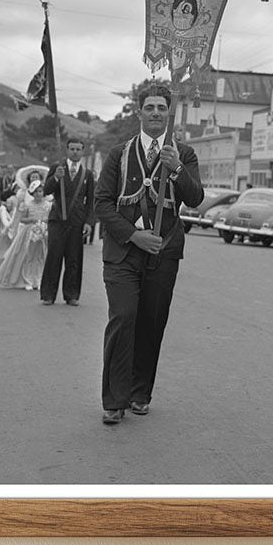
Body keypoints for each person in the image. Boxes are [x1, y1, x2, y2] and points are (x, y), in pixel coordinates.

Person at [94, 82, 204, 425]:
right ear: (139, 112)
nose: (155, 113)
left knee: (151, 322)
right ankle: (114, 399)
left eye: (161, 108)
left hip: (164, 251)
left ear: (168, 113)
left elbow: (196, 197)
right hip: (124, 253)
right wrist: (133, 235)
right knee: (123, 317)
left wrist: (177, 170)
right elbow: (102, 203)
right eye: (149, 107)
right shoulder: (118, 154)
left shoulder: (182, 153)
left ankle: (140, 393)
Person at [40, 139, 95, 306]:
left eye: (78, 149)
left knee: (74, 259)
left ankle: (71, 294)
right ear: (67, 150)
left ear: (83, 152)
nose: (75, 152)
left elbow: (91, 201)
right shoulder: (57, 168)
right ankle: (48, 295)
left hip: (77, 222)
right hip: (57, 220)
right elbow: (46, 191)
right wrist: (56, 178)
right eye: (72, 149)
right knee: (54, 257)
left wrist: (89, 222)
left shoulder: (87, 174)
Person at [0, 178, 51, 291]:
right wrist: (31, 219)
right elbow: (22, 219)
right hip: (30, 233)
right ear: (32, 193)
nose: (39, 194)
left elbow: (51, 219)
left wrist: (45, 220)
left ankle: (38, 279)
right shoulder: (27, 205)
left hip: (43, 233)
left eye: (41, 191)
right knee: (29, 256)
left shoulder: (48, 205)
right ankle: (28, 280)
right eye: (37, 192)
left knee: (41, 257)